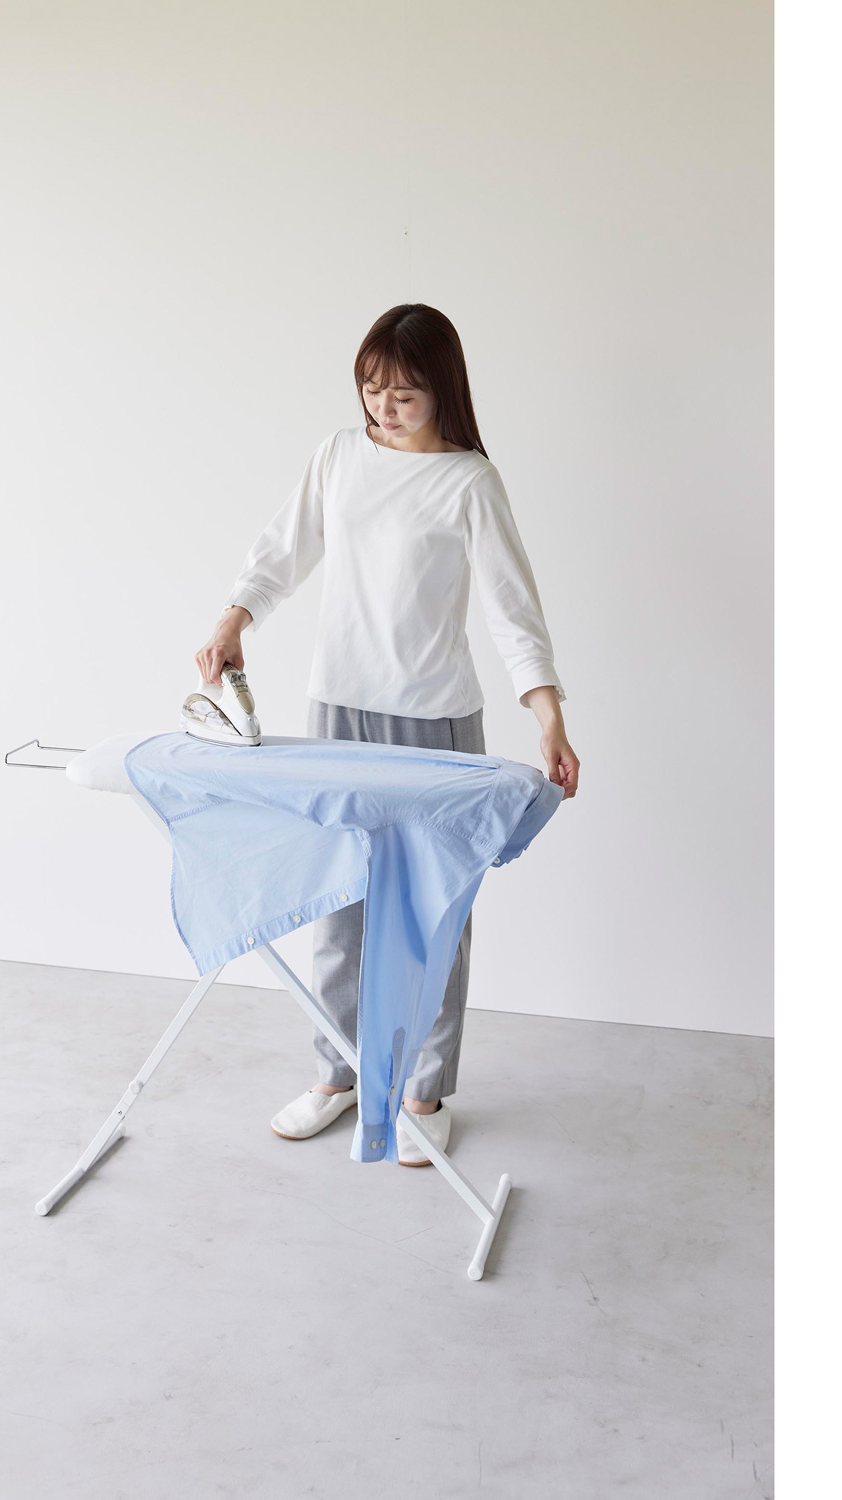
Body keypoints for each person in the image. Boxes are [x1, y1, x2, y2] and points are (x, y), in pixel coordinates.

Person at [194, 304, 580, 1165]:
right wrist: (234, 620)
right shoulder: (339, 456)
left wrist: (549, 716)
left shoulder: (469, 482)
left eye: (404, 394)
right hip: (338, 711)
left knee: (436, 911)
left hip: (434, 720)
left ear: (443, 390)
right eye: (372, 390)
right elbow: (282, 550)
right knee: (340, 904)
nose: (385, 409)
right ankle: (337, 1073)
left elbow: (512, 610)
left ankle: (424, 1090)